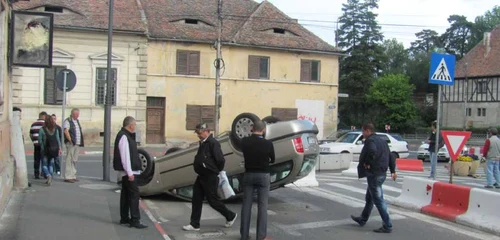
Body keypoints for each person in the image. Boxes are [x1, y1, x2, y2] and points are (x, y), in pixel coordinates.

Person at [183, 123, 237, 231]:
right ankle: (194, 224)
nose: (198, 135)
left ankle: (230, 215)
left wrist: (215, 170)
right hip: (201, 176)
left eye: (199, 133)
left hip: (210, 176)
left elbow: (220, 160)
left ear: (206, 131)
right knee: (196, 199)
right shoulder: (203, 143)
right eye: (197, 133)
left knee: (213, 201)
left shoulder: (213, 143)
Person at [351, 123, 396, 233]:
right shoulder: (382, 140)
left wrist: (367, 163)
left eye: (363, 131)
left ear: (367, 131)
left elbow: (372, 151)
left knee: (378, 200)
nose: (363, 134)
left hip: (374, 174)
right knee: (370, 198)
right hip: (382, 173)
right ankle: (363, 218)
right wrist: (393, 171)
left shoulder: (370, 141)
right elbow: (391, 156)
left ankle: (387, 225)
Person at [240, 120, 275, 240]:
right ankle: (261, 236)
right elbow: (273, 159)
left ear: (251, 128)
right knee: (262, 206)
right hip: (263, 176)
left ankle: (244, 235)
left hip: (248, 174)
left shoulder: (244, 142)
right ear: (264, 130)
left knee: (246, 205)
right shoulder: (268, 144)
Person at [113, 116, 148, 229]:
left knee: (126, 195)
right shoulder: (124, 136)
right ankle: (135, 220)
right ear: (130, 125)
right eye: (134, 125)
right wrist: (130, 173)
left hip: (129, 171)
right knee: (134, 196)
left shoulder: (126, 135)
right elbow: (125, 156)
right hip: (130, 172)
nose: (135, 127)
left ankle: (124, 218)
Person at [39, 116, 62, 186]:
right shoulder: (55, 129)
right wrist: (60, 148)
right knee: (51, 164)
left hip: (45, 150)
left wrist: (42, 147)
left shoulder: (42, 129)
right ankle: (51, 177)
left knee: (44, 164)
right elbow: (58, 139)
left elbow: (40, 140)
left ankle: (48, 175)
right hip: (54, 150)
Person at [63, 108, 84, 183]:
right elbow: (66, 131)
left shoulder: (77, 121)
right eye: (75, 114)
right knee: (69, 159)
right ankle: (68, 176)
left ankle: (73, 175)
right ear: (72, 114)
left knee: (74, 160)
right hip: (71, 143)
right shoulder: (68, 121)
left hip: (77, 143)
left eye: (78, 114)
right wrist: (70, 140)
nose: (77, 115)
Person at [29, 111, 47, 179]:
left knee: (36, 159)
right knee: (44, 159)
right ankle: (44, 173)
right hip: (44, 145)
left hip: (36, 144)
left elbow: (31, 134)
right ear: (44, 116)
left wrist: (34, 141)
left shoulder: (33, 124)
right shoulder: (46, 124)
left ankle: (36, 174)